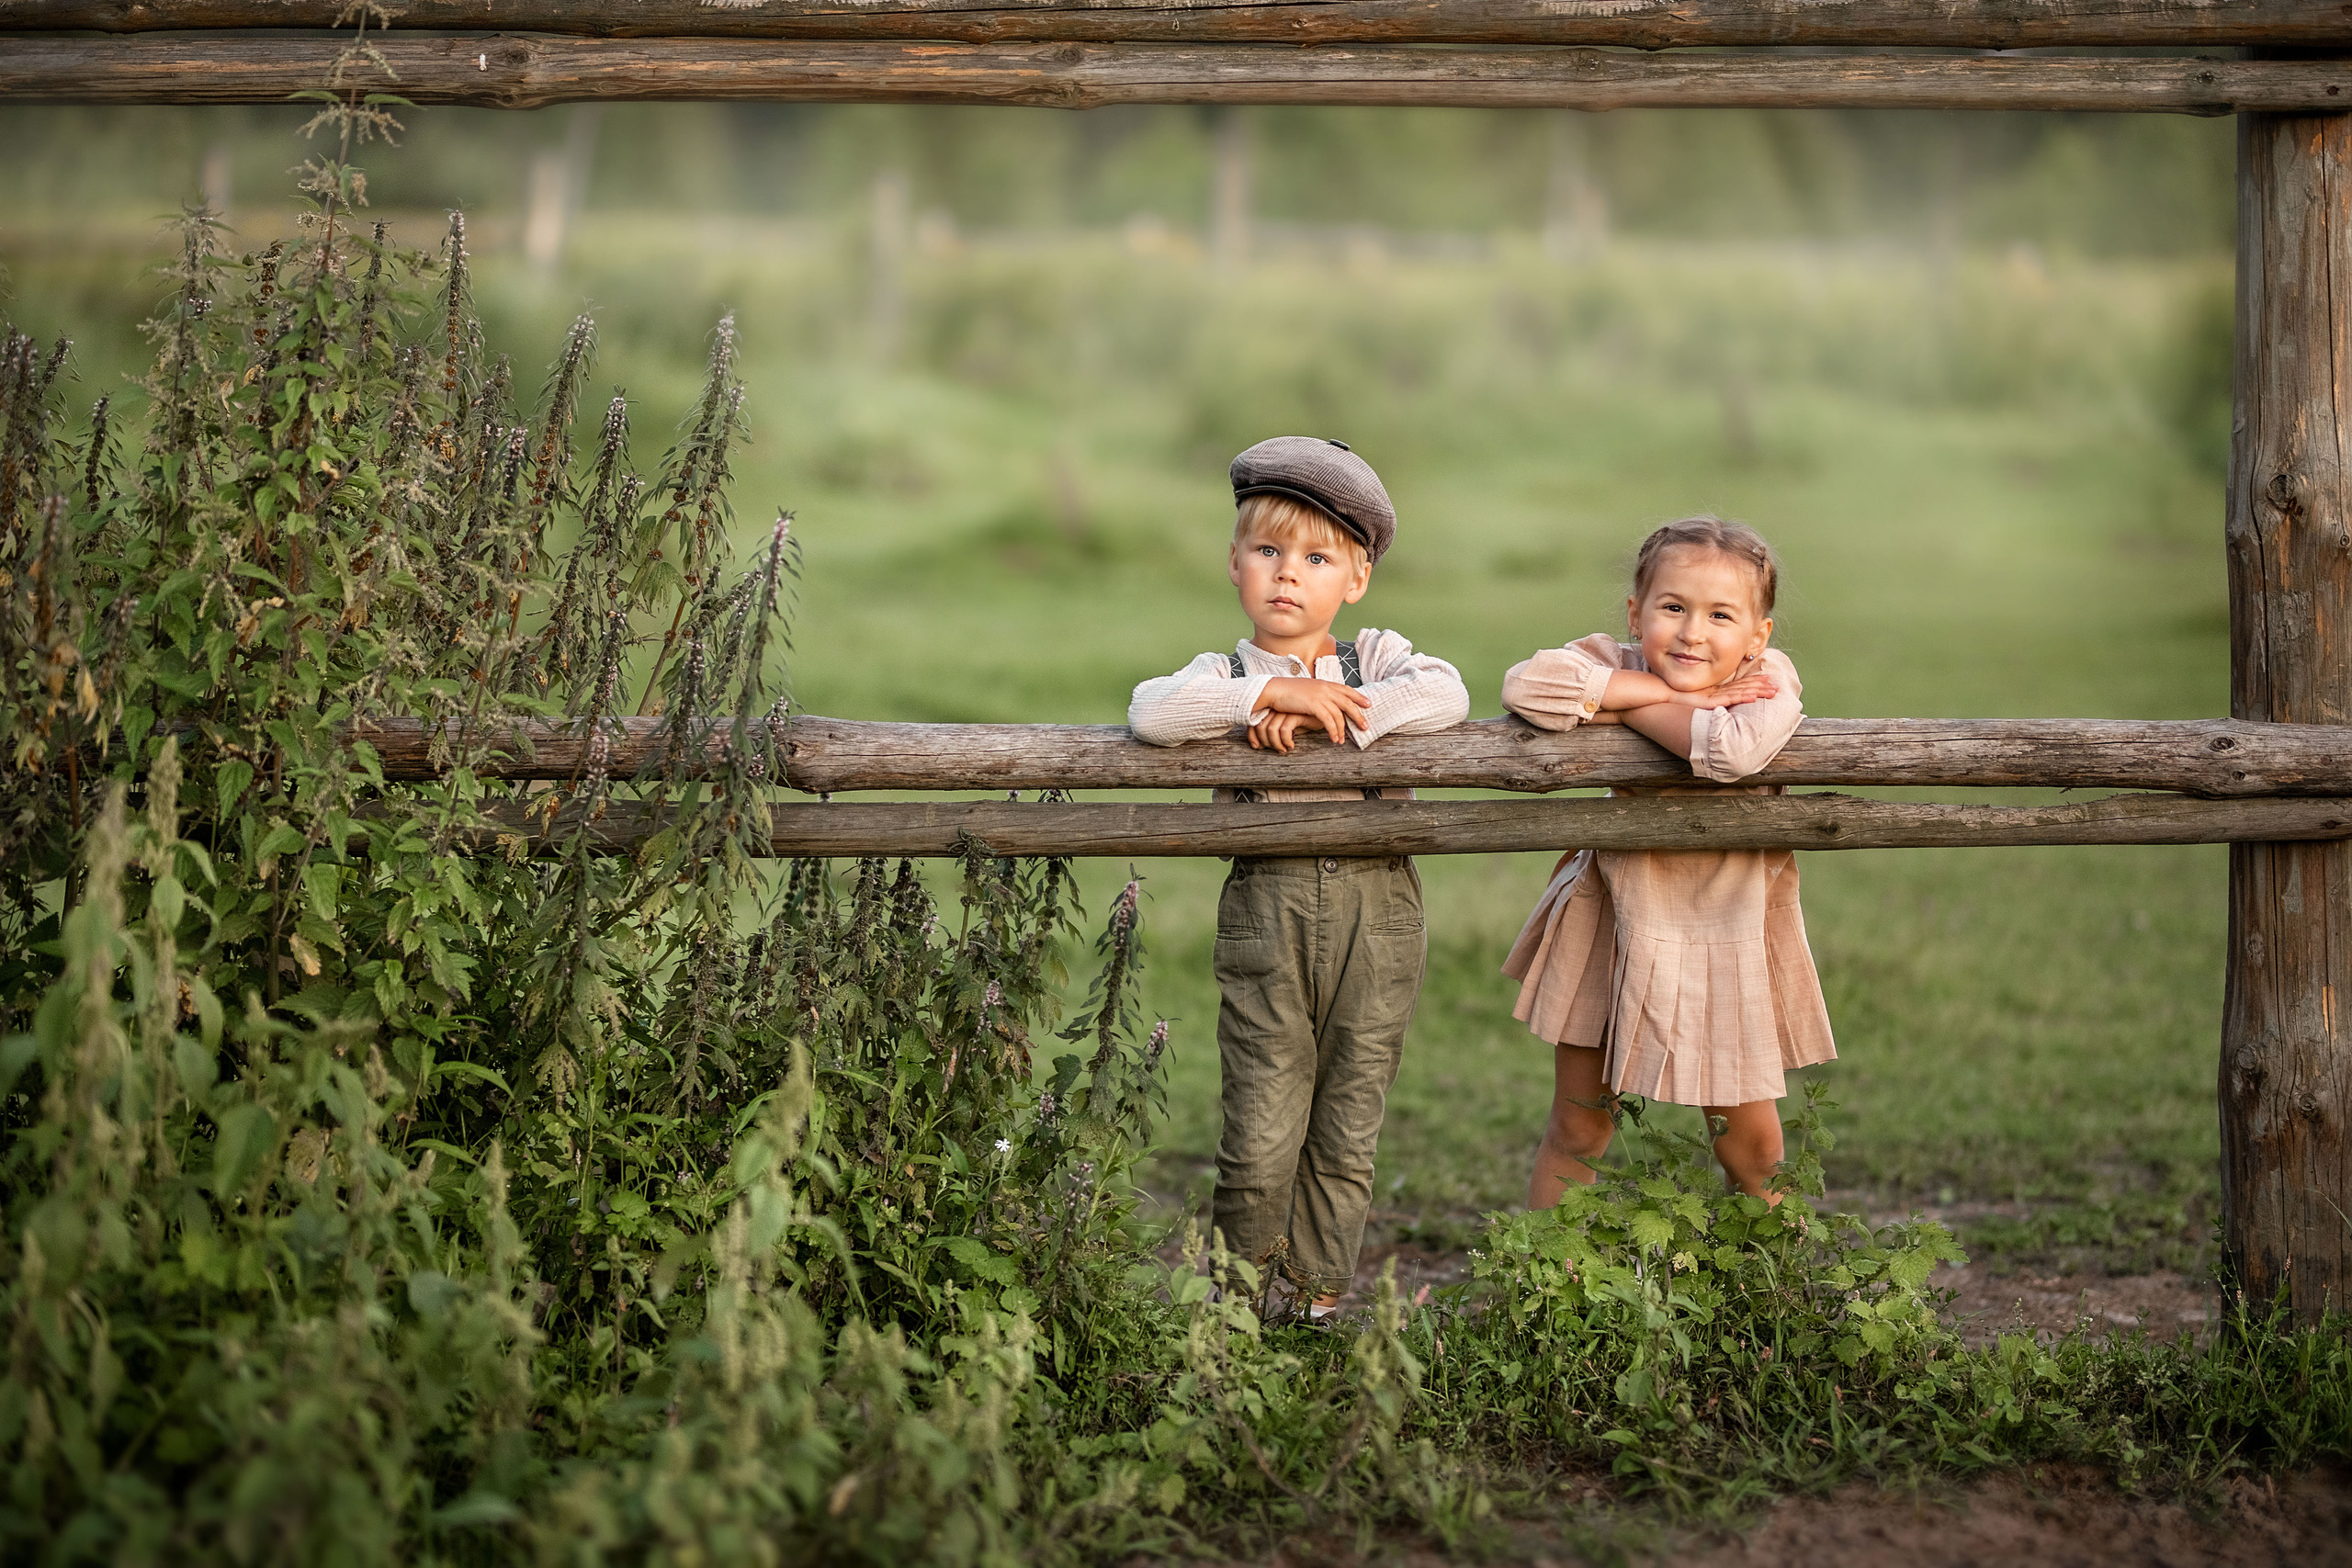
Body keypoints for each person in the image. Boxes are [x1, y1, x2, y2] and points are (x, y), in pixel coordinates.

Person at [1129, 436, 1469, 1316]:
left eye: (1318, 558)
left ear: (1354, 580)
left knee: (1350, 1113)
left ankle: (1314, 1299)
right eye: (1269, 552)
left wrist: (1346, 714)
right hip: (1267, 912)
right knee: (1262, 1125)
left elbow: (1450, 693)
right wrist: (1270, 698)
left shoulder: (1379, 657)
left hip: (1380, 912)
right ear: (1234, 563)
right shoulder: (1224, 675)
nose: (1290, 575)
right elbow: (1152, 713)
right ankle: (1243, 1299)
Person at [1498, 514, 1835, 1209]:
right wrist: (1682, 697)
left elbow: (1731, 751)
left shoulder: (1770, 676)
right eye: (1673, 608)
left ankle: (1783, 1293)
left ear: (1757, 635)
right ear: (1636, 612)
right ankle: (1536, 1281)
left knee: (1754, 1145)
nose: (1692, 633)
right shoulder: (1611, 657)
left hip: (1724, 930)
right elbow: (1528, 687)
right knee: (1580, 1124)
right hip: (1616, 920)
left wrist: (1622, 708)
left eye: (1720, 615)